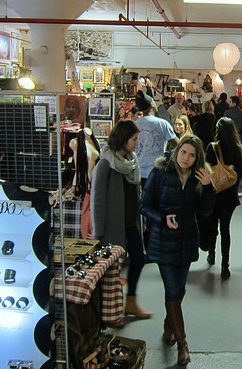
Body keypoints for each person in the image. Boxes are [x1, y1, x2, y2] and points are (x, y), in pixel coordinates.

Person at [140, 135, 215, 366]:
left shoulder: (199, 177)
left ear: (197, 158)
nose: (186, 158)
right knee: (172, 288)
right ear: (177, 150)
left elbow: (205, 212)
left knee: (179, 290)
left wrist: (208, 187)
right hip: (163, 241)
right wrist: (163, 218)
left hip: (187, 240)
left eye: (192, 155)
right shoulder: (161, 172)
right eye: (183, 152)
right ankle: (183, 344)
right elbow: (144, 205)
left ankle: (168, 323)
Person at [90, 120, 151, 325]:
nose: (137, 143)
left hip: (131, 221)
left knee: (138, 259)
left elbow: (135, 194)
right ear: (124, 139)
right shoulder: (106, 163)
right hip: (112, 225)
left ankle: (130, 302)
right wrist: (98, 230)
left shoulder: (130, 161)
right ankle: (109, 311)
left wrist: (140, 219)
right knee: (112, 269)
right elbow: (97, 198)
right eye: (134, 139)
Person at [201, 117, 242, 279]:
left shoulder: (212, 148)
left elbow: (206, 169)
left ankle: (211, 254)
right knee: (225, 229)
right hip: (230, 196)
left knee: (213, 227)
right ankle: (225, 266)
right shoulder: (238, 149)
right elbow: (239, 174)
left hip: (214, 194)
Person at [134, 90, 179, 185]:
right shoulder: (163, 124)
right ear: (152, 104)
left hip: (137, 172)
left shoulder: (134, 125)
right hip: (157, 172)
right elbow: (178, 145)